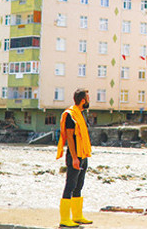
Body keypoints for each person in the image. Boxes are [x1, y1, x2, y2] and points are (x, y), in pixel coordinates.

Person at [56, 89, 93, 227]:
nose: (89, 100)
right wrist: (75, 158)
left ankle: (77, 216)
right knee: (70, 185)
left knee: (79, 186)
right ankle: (64, 219)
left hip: (83, 154)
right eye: (88, 98)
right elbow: (70, 137)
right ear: (83, 100)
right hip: (75, 155)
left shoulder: (81, 114)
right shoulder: (71, 115)